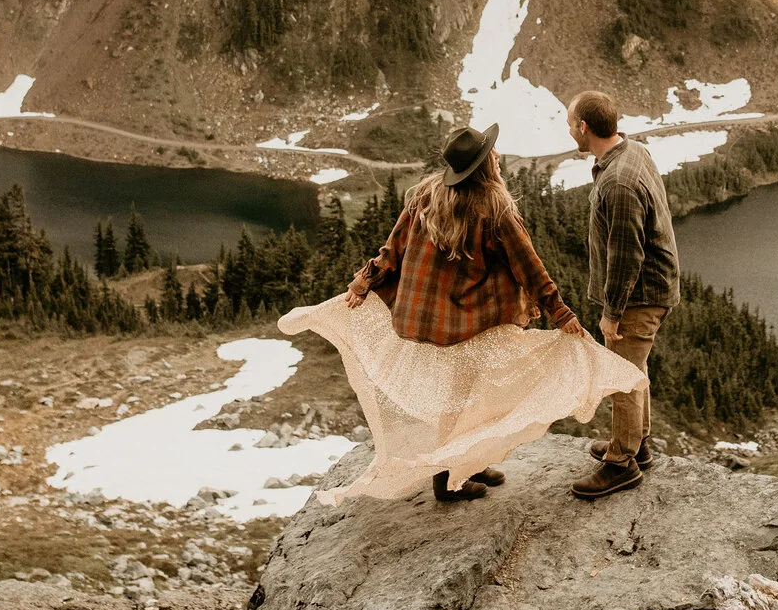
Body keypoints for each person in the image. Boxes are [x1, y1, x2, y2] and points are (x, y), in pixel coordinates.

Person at [279, 124, 645, 505]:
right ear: (486, 164)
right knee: (466, 393)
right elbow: (529, 266)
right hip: (473, 318)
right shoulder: (495, 207)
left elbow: (394, 246)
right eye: (493, 152)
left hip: (434, 319)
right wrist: (560, 313)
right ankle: (448, 479)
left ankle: (468, 461)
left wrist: (365, 281)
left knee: (467, 390)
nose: (498, 155)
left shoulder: (427, 194)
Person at [566, 90, 680, 500]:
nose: (568, 128)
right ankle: (639, 444)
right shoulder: (632, 152)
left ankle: (621, 463)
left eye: (569, 122)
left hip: (639, 295)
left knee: (622, 376)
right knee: (635, 369)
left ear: (584, 127)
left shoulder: (618, 182)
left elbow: (626, 256)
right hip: (654, 287)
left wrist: (612, 313)